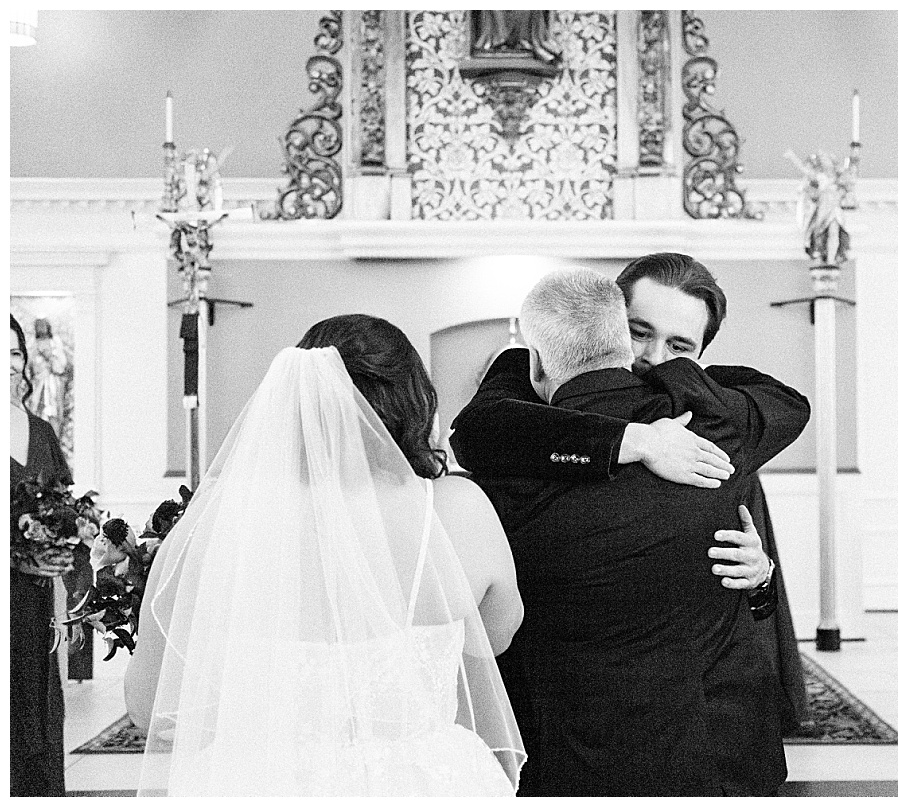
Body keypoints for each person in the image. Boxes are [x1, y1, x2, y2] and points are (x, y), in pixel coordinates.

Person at [124, 314, 525, 796]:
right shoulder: (458, 510)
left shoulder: (217, 526)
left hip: (258, 783)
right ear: (415, 404)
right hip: (418, 784)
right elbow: (495, 638)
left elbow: (148, 707)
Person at [459, 268, 809, 795]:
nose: (651, 357)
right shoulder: (519, 410)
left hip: (699, 731)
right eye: (638, 331)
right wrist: (631, 439)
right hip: (605, 735)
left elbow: (790, 406)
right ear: (609, 322)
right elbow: (478, 430)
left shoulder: (709, 426)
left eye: (678, 346)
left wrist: (759, 576)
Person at [10, 315, 71, 796]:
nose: (8, 366)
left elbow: (61, 508)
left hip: (35, 599)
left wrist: (63, 547)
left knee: (39, 709)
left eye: (13, 353)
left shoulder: (41, 431)